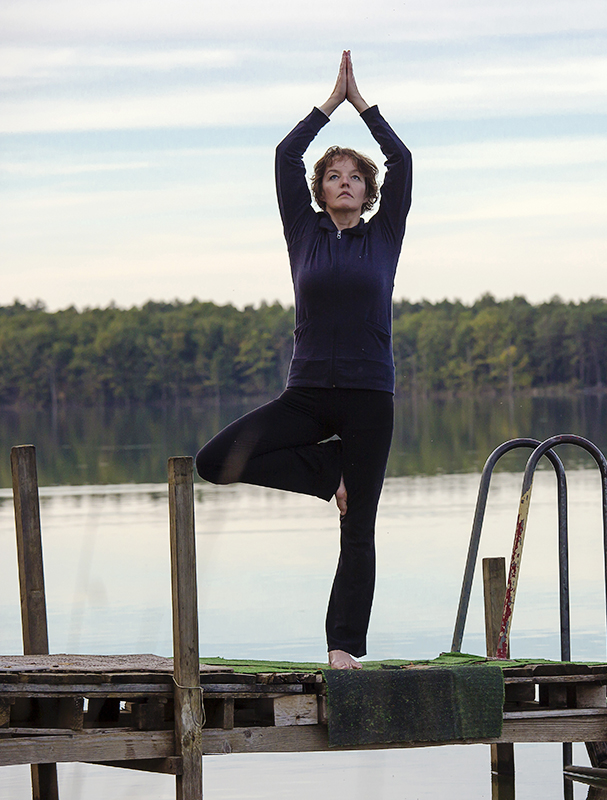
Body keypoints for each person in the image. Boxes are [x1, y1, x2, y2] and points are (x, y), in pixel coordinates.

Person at [196, 51, 412, 670]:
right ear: (319, 192)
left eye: (354, 176)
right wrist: (329, 103)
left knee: (359, 529)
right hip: (309, 392)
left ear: (369, 193)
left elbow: (404, 162)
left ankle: (344, 649)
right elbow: (284, 157)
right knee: (216, 462)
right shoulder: (305, 234)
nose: (344, 181)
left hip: (370, 394)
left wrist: (363, 105)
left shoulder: (383, 236)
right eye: (333, 175)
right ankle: (327, 476)